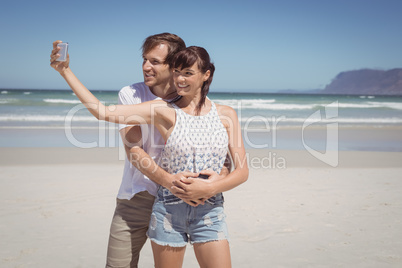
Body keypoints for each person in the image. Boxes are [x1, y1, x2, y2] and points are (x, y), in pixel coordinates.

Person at [50, 41, 248, 267]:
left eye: (188, 73)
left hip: (210, 211)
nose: (180, 79)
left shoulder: (227, 114)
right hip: (168, 210)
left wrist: (212, 187)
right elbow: (102, 112)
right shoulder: (162, 110)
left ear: (206, 75)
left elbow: (242, 170)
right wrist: (65, 70)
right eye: (177, 73)